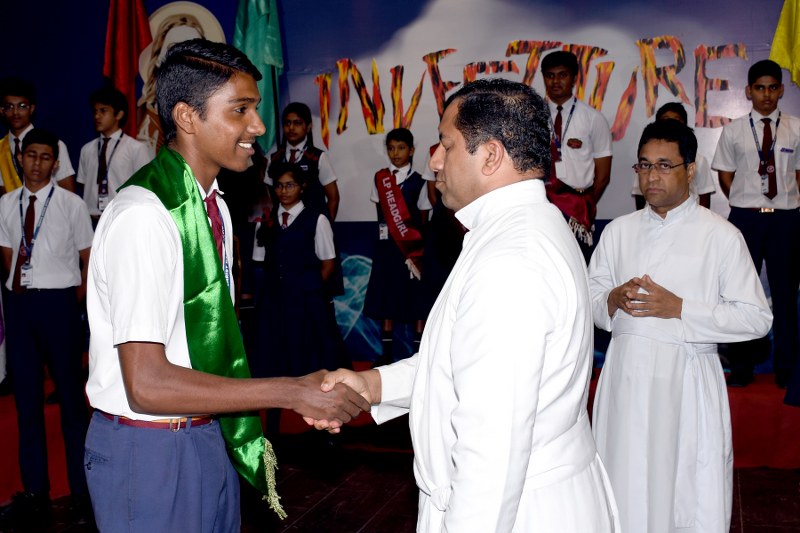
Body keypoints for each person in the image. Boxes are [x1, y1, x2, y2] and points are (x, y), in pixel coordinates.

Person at [83, 39, 370, 532]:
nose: (257, 126)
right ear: (187, 117)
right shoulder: (144, 216)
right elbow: (147, 384)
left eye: (255, 109)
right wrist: (290, 391)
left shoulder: (214, 206)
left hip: (207, 429)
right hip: (151, 449)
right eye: (240, 110)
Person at [315, 78, 620, 532]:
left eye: (446, 144)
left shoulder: (511, 260)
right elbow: (462, 364)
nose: (434, 161)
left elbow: (491, 454)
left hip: (516, 511)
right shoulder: (520, 227)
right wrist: (371, 384)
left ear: (491, 155)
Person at [590, 120, 773, 533]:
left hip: (686, 381)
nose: (651, 176)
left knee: (681, 491)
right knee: (622, 483)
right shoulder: (618, 232)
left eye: (664, 165)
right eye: (644, 165)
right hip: (623, 380)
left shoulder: (720, 236)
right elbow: (589, 297)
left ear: (690, 170)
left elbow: (756, 317)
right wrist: (610, 300)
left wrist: (681, 309)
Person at [0, 129, 94, 529]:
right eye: (30, 155)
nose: (36, 163)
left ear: (55, 164)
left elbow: (88, 259)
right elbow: (7, 256)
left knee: (71, 403)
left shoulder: (72, 204)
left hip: (60, 306)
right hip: (21, 306)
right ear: (20, 158)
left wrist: (73, 303)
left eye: (44, 157)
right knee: (27, 403)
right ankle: (35, 492)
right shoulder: (6, 203)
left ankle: (82, 494)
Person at [711, 59, 800, 389]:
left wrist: (786, 203)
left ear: (781, 90)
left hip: (786, 219)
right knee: (741, 292)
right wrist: (746, 200)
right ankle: (741, 365)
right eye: (760, 88)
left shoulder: (796, 127)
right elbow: (725, 175)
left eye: (772, 87)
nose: (766, 94)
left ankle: (786, 367)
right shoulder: (734, 130)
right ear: (749, 91)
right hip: (746, 218)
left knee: (785, 293)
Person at [251, 161, 346, 433]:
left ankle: (325, 429)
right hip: (274, 306)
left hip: (307, 305)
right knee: (273, 364)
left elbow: (328, 263)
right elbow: (260, 261)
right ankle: (272, 430)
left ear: (302, 187)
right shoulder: (266, 221)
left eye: (290, 185)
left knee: (314, 365)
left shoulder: (317, 219)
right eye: (279, 186)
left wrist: (309, 292)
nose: (284, 191)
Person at [363, 127, 430, 366]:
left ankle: (419, 353)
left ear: (411, 150)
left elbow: (423, 218)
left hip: (411, 250)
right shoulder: (380, 178)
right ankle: (386, 353)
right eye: (391, 148)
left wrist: (418, 248)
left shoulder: (420, 182)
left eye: (401, 148)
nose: (395, 153)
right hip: (387, 249)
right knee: (386, 297)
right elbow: (380, 215)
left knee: (416, 300)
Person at [541, 50, 612, 262]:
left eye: (562, 75)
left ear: (574, 78)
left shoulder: (593, 118)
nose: (556, 81)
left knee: (578, 264)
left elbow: (603, 175)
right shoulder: (534, 118)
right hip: (542, 207)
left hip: (578, 211)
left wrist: (583, 203)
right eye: (550, 75)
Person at [76, 86, 152, 226]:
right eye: (95, 111)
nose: (97, 116)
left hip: (122, 221)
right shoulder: (87, 149)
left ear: (119, 115)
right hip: (91, 221)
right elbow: (83, 184)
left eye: (103, 111)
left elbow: (145, 188)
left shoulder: (136, 149)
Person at [633, 102, 716, 209]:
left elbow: (704, 195)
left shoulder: (698, 160)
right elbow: (640, 196)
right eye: (665, 120)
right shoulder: (645, 160)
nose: (652, 176)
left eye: (665, 165)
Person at [0, 77, 76, 193]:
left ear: (31, 109)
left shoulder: (53, 145)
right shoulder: (1, 148)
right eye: (9, 107)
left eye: (22, 106)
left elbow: (69, 194)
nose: (15, 112)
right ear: (2, 110)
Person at [268, 102, 340, 221]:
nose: (291, 127)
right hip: (284, 225)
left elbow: (334, 198)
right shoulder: (274, 158)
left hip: (312, 225)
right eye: (287, 123)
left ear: (308, 126)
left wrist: (325, 226)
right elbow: (271, 198)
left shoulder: (318, 157)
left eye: (297, 123)